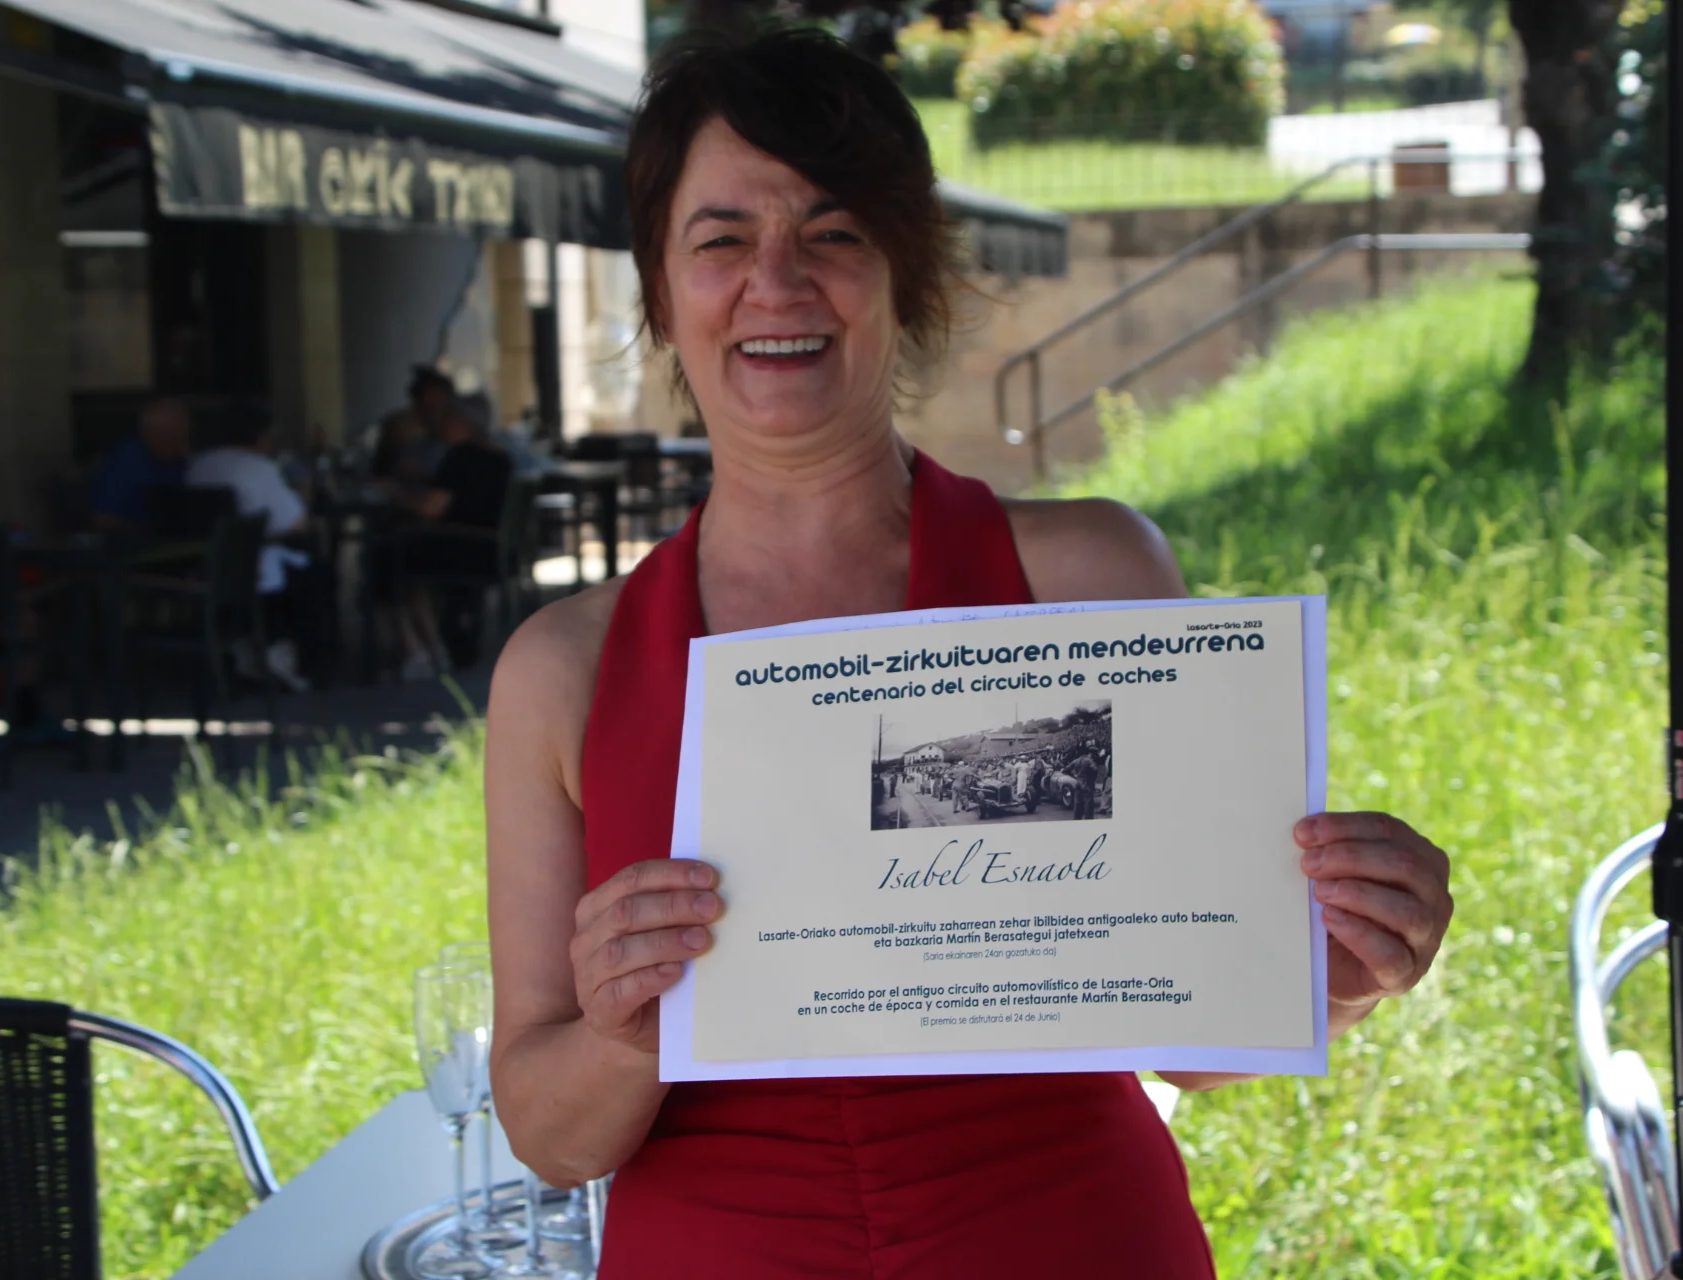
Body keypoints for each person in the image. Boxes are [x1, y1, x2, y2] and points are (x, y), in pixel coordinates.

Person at [485, 31, 1456, 1278]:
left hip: (1070, 1235)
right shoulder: (560, 669)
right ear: (662, 294)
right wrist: (624, 1032)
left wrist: (1344, 964)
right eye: (721, 239)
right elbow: (547, 1134)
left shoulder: (1089, 575)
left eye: (834, 232)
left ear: (907, 273)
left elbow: (1196, 1031)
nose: (777, 281)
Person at [370, 394, 513, 677]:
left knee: (385, 559)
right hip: (489, 547)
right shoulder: (500, 456)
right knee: (401, 555)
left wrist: (395, 493)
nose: (439, 426)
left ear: (462, 423)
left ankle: (417, 648)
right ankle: (430, 646)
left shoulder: (461, 456)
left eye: (447, 418)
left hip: (461, 547)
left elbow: (431, 508)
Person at [185, 407, 314, 691]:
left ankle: (247, 648)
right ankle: (284, 649)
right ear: (263, 437)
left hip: (202, 566)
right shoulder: (260, 468)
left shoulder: (198, 464)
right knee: (313, 567)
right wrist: (304, 490)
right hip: (252, 571)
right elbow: (296, 524)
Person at [90, 397, 192, 534]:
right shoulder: (124, 462)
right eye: (174, 438)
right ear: (150, 434)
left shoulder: (179, 461)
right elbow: (102, 520)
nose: (183, 447)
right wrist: (149, 530)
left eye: (185, 437)